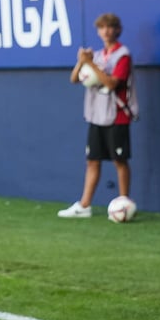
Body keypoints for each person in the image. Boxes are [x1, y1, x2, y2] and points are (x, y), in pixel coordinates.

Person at [58, 13, 138, 218]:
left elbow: (112, 83)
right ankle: (84, 205)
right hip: (96, 114)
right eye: (102, 27)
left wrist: (90, 64)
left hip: (117, 114)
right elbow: (74, 79)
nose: (106, 31)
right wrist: (81, 62)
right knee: (92, 160)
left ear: (117, 30)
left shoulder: (123, 55)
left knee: (119, 160)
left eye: (110, 27)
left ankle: (123, 204)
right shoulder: (99, 55)